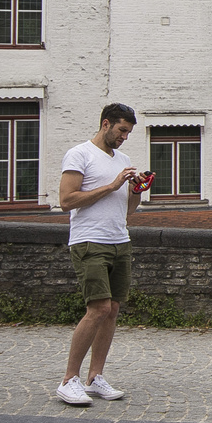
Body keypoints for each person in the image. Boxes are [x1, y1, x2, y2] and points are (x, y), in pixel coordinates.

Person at [55, 103, 142, 406]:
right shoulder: (79, 154)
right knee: (98, 308)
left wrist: (137, 191)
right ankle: (69, 380)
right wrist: (113, 184)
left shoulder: (124, 160)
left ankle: (95, 377)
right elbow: (67, 201)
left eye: (128, 133)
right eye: (121, 131)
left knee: (113, 310)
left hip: (120, 239)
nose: (125, 138)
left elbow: (127, 210)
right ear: (106, 124)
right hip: (89, 241)